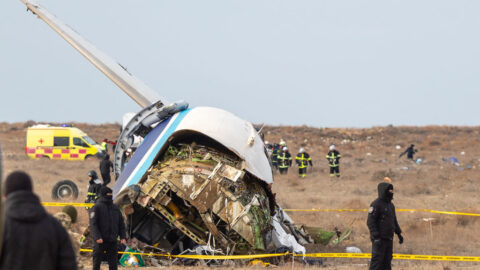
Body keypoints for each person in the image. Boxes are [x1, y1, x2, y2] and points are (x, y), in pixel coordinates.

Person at [0, 171, 77, 270]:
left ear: (5, 195)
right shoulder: (55, 227)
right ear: (31, 191)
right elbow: (68, 265)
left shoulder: (3, 225)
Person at [367, 182, 403, 270]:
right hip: (379, 240)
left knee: (387, 262)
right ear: (384, 191)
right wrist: (376, 237)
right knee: (377, 263)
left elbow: (394, 221)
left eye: (392, 190)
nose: (392, 192)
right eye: (390, 190)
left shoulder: (391, 205)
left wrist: (399, 234)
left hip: (389, 239)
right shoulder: (376, 204)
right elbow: (370, 222)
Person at [90, 186, 127, 270]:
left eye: (111, 194)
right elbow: (93, 224)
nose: (110, 196)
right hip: (100, 241)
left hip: (112, 241)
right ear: (103, 195)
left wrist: (123, 236)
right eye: (108, 194)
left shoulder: (115, 208)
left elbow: (121, 224)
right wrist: (97, 237)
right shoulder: (96, 207)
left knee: (113, 264)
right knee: (96, 263)